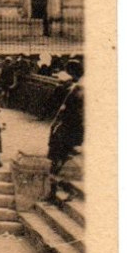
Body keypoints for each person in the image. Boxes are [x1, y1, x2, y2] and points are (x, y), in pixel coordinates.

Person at [48, 61, 84, 194]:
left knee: (59, 153)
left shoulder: (74, 91)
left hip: (67, 127)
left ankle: (56, 182)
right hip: (67, 127)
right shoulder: (74, 89)